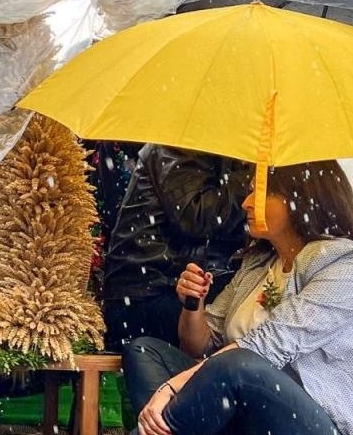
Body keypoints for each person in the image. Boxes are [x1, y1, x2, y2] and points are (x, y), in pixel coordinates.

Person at [51, 160, 353, 435]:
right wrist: (192, 306)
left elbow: (266, 347)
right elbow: (199, 348)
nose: (244, 202)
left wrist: (168, 390)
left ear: (301, 198)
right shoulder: (259, 265)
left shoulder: (346, 265)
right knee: (145, 348)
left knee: (240, 362)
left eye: (259, 192)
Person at [100, 145, 250, 362]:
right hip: (147, 293)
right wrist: (252, 176)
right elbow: (197, 217)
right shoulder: (179, 146)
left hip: (175, 285)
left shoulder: (217, 149)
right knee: (245, 323)